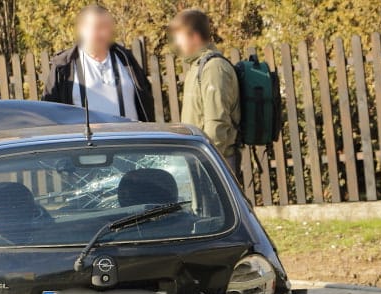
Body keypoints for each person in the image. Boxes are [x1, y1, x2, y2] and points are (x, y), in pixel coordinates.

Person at [43, 4, 154, 121]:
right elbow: (50, 113)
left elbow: (146, 101)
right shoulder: (64, 66)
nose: (105, 33)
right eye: (98, 27)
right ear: (82, 29)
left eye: (108, 27)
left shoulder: (126, 59)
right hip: (87, 139)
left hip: (130, 138)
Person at [170, 9, 241, 174]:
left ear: (194, 37)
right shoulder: (197, 67)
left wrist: (206, 163)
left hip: (213, 163)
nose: (177, 45)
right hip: (200, 159)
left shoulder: (213, 68)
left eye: (179, 39)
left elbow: (216, 123)